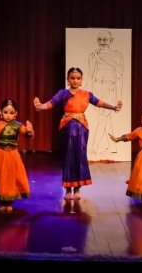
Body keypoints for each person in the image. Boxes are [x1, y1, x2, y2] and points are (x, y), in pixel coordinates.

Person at [34, 67, 122, 200]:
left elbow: (99, 103)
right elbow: (51, 103)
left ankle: (78, 189)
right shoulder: (63, 93)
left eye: (78, 78)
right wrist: (41, 106)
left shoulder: (87, 94)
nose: (75, 80)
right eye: (72, 78)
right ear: (68, 79)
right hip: (66, 127)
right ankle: (68, 189)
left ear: (82, 80)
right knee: (67, 156)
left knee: (80, 156)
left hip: (81, 127)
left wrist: (114, 107)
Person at [0, 99, 34, 213]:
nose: (8, 115)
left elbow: (27, 134)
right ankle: (1, 201)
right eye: (5, 112)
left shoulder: (18, 125)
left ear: (16, 114)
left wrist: (30, 130)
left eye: (11, 113)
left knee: (10, 178)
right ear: (0, 112)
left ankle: (9, 202)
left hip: (13, 156)